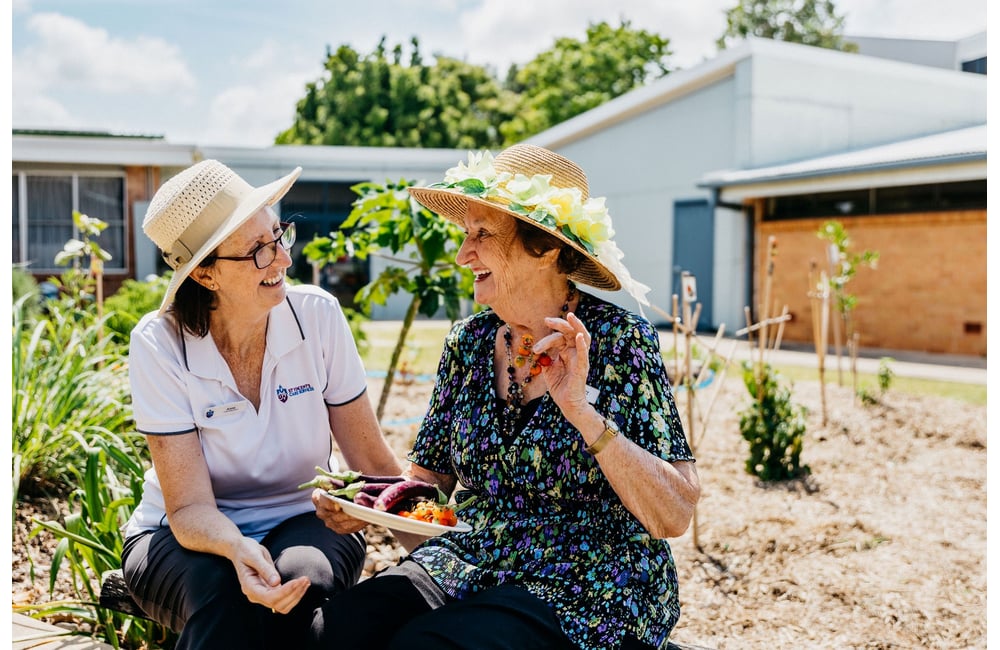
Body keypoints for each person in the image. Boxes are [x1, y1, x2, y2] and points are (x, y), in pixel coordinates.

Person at [309, 144, 701, 650]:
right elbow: (428, 482)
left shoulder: (620, 342)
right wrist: (367, 502)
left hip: (587, 581)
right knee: (331, 633)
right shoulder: (468, 342)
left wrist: (582, 413)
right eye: (465, 233)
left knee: (427, 646)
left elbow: (674, 513)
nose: (462, 254)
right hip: (470, 559)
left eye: (482, 234)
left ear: (546, 249)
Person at [121, 159, 404, 650]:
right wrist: (237, 548)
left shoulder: (317, 316)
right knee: (224, 598)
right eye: (258, 251)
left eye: (279, 235)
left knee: (304, 585)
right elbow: (188, 508)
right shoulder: (159, 344)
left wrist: (447, 567)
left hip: (307, 518)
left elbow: (375, 467)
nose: (283, 260)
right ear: (205, 273)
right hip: (183, 532)